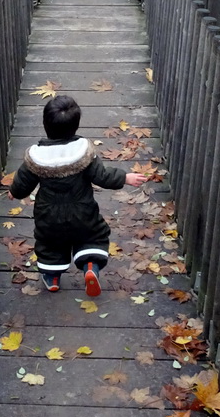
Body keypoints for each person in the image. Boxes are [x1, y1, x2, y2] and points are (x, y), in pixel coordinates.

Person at [9, 94, 147, 296]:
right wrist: (124, 177)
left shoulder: (36, 158)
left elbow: (23, 183)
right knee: (93, 236)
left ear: (45, 124)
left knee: (49, 245)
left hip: (48, 215)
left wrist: (14, 191)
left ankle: (52, 278)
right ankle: (90, 266)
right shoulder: (83, 153)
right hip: (83, 211)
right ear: (76, 125)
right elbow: (102, 176)